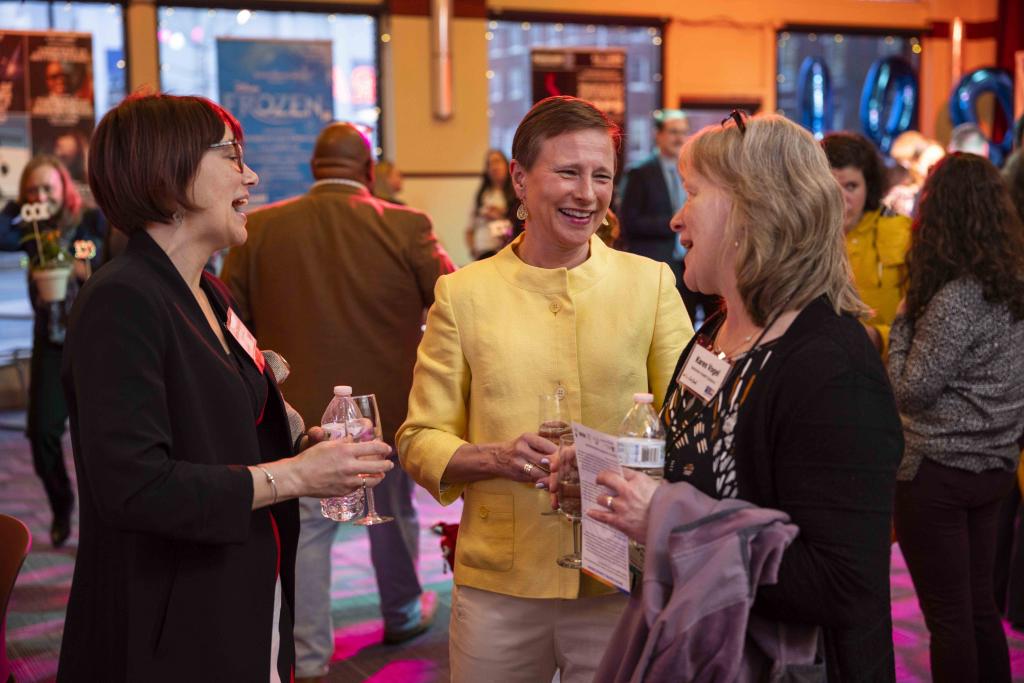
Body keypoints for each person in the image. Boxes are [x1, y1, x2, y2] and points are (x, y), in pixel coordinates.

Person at [56, 93, 393, 681]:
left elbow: (216, 436)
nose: (252, 174)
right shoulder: (121, 300)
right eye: (232, 156)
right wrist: (293, 478)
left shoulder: (211, 295)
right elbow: (133, 487)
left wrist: (301, 453)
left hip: (239, 588)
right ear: (168, 169)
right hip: (166, 622)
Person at [586, 113, 903, 682]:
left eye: (693, 194)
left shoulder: (832, 366)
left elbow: (840, 584)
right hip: (704, 644)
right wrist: (608, 477)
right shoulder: (714, 332)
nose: (676, 218)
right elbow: (697, 469)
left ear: (752, 209)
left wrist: (665, 518)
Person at [397, 95, 692, 683]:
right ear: (520, 179)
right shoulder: (465, 293)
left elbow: (687, 421)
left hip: (617, 572)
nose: (587, 193)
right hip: (502, 583)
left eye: (601, 175)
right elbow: (419, 436)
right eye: (567, 172)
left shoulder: (650, 283)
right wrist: (494, 457)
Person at [221, 121, 454, 679]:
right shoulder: (407, 225)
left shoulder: (266, 226)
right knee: (393, 517)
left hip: (298, 418)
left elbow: (234, 321)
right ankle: (401, 612)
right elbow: (454, 305)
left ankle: (309, 655)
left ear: (313, 169)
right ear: (369, 171)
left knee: (310, 534)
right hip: (389, 413)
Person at [889, 152, 1024, 683]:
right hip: (993, 470)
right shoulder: (1014, 287)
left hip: (937, 473)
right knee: (978, 610)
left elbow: (910, 390)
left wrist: (900, 326)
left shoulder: (956, 297)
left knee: (949, 619)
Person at [0, 155, 107, 547]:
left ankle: (104, 521)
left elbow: (114, 257)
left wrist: (87, 266)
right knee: (42, 432)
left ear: (65, 186)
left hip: (97, 344)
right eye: (33, 189)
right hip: (51, 342)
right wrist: (18, 206)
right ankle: (62, 506)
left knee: (102, 438)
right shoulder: (28, 229)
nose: (42, 196)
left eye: (48, 187)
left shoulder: (91, 222)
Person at [619, 108, 719, 325]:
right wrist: (675, 223)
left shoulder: (698, 173)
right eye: (673, 132)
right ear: (659, 135)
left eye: (684, 132)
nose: (679, 138)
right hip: (660, 264)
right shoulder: (640, 172)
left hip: (695, 263)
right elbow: (629, 222)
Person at [822, 132, 912, 356]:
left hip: (885, 366)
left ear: (869, 186)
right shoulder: (801, 238)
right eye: (833, 186)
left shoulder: (902, 232)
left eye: (851, 186)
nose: (841, 198)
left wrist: (878, 337)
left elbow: (923, 318)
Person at [464, 148, 517, 259]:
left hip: (507, 250)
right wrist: (473, 250)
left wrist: (501, 215)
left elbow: (521, 226)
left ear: (507, 165)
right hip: (482, 251)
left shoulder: (516, 193)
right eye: (490, 164)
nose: (494, 167)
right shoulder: (481, 195)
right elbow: (469, 228)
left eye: (497, 162)